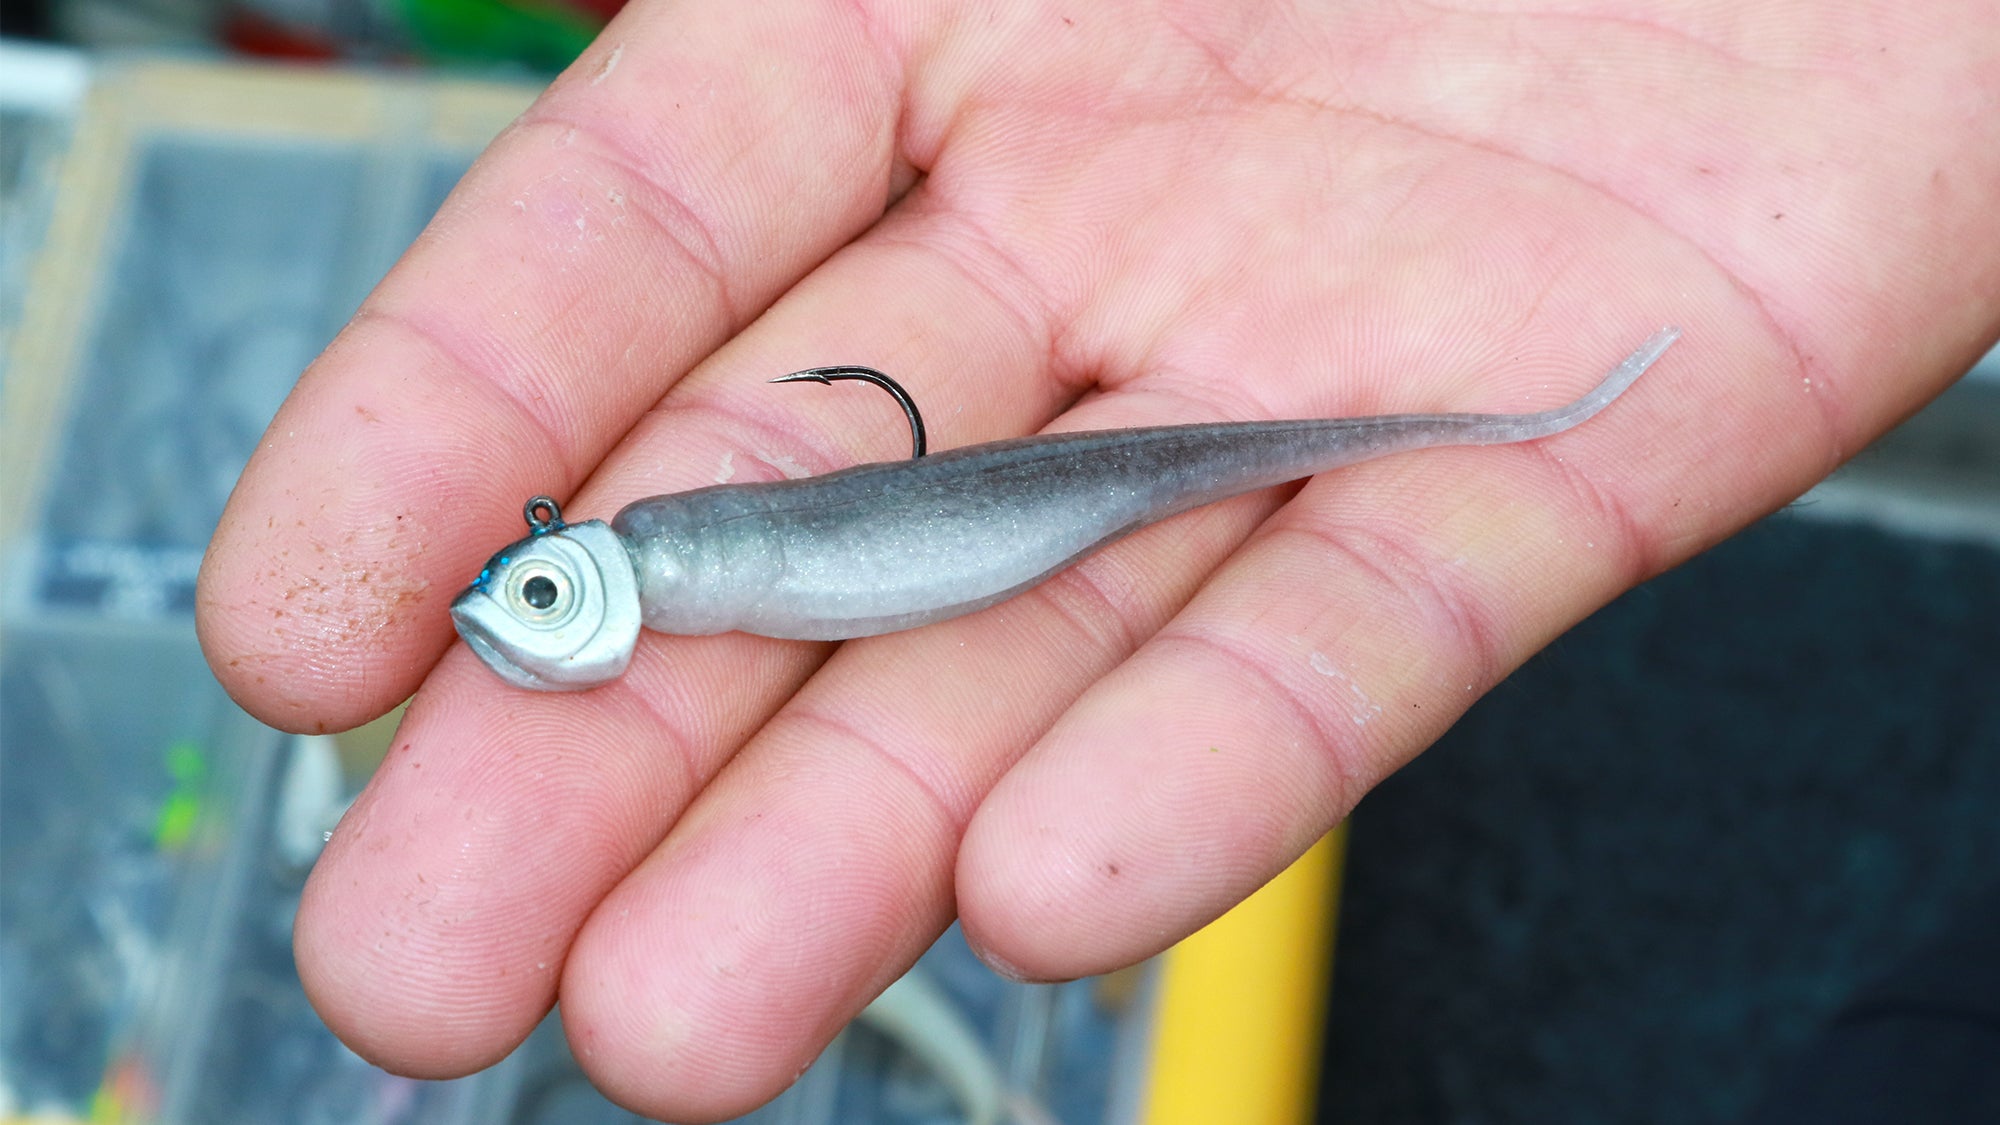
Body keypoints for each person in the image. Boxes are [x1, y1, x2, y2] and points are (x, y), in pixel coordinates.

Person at [193, 3, 2000, 1119]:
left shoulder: (666, 543)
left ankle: (1527, 412)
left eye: (530, 590)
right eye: (529, 597)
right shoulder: (674, 559)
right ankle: (1523, 412)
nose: (531, 608)